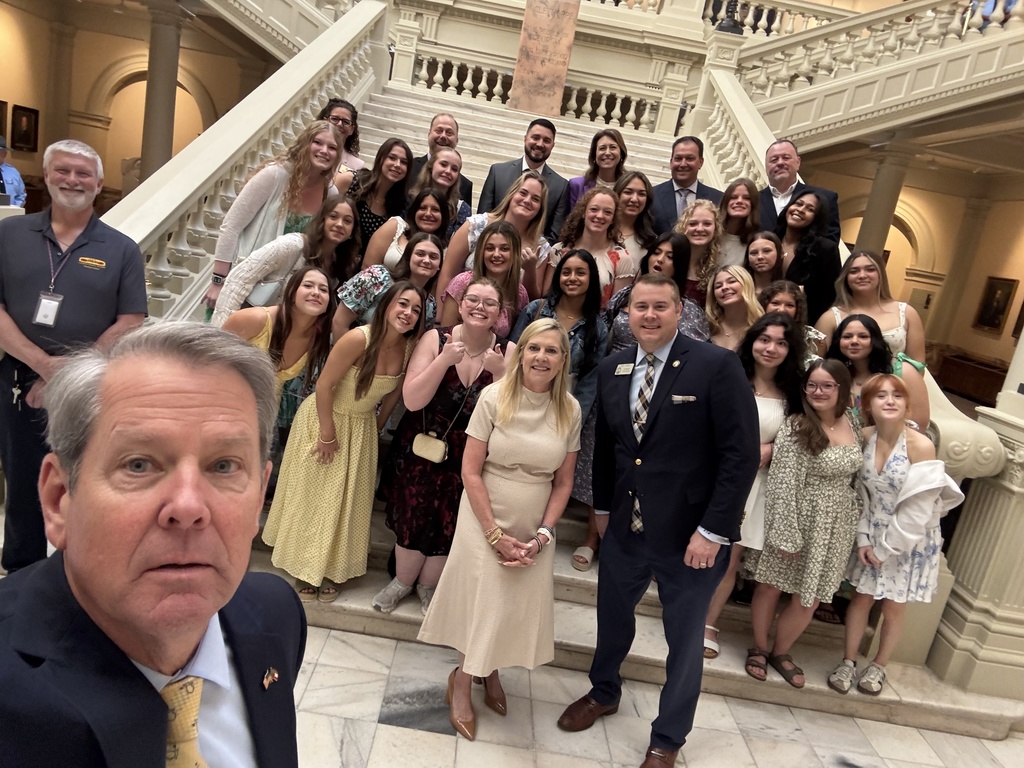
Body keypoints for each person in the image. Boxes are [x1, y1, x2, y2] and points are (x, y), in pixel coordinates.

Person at [0, 322, 306, 766]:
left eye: (224, 465)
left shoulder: (276, 616)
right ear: (59, 500)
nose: (188, 506)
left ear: (259, 497)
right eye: (139, 464)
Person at [557, 274, 759, 768]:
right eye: (639, 307)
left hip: (693, 536)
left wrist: (713, 530)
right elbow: (606, 450)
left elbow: (741, 455)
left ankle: (667, 738)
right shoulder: (612, 367)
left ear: (678, 311)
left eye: (659, 307)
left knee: (684, 642)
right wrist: (601, 510)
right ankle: (603, 692)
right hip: (626, 527)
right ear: (627, 314)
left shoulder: (716, 365)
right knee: (612, 619)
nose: (648, 315)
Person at [419, 318, 582, 741]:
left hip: (534, 522)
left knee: (508, 603)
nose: (541, 357)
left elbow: (563, 481)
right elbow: (470, 471)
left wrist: (544, 534)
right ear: (521, 352)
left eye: (551, 350)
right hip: (484, 511)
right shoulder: (494, 397)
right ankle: (462, 679)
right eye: (534, 348)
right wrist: (493, 534)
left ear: (563, 359)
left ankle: (488, 669)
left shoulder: (570, 408)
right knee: (484, 597)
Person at [0, 139, 147, 574]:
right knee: (24, 481)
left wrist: (65, 376)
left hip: (90, 385)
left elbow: (131, 320)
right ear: (46, 175)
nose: (72, 180)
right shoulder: (9, 235)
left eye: (83, 173)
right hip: (18, 380)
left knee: (87, 481)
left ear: (100, 183)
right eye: (63, 170)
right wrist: (42, 366)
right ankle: (21, 576)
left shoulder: (122, 249)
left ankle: (82, 576)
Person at [262, 282, 424, 601]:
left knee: (346, 503)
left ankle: (333, 567)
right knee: (317, 498)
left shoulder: (408, 349)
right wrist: (327, 434)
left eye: (416, 310)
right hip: (327, 417)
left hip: (361, 427)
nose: (408, 313)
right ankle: (306, 568)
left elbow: (392, 395)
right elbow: (324, 386)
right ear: (387, 305)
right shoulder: (357, 338)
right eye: (403, 304)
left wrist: (374, 429)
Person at [375, 277, 514, 615]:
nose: (479, 307)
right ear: (460, 303)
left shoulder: (507, 352)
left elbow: (510, 418)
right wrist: (443, 361)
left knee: (447, 522)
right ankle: (401, 583)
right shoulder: (436, 338)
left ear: (500, 312)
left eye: (489, 303)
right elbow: (411, 398)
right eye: (473, 300)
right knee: (412, 516)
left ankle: (427, 587)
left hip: (469, 455)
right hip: (421, 447)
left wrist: (499, 376)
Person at [827, 374, 962, 696]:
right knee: (860, 599)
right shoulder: (864, 437)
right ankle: (848, 661)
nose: (889, 401)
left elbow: (919, 509)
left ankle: (879, 666)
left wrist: (887, 549)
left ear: (906, 405)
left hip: (908, 538)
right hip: (872, 531)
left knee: (892, 607)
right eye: (881, 396)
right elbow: (859, 493)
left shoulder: (921, 444)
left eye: (897, 396)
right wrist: (863, 539)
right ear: (868, 405)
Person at [746, 359, 862, 689]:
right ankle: (759, 646)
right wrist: (787, 535)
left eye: (827, 385)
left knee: (808, 595)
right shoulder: (797, 427)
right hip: (797, 514)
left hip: (836, 523)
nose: (818, 392)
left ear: (841, 389)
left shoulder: (852, 421)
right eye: (812, 385)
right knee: (771, 585)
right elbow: (783, 483)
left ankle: (782, 652)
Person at [702, 314, 805, 659]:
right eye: (765, 339)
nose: (771, 348)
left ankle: (709, 623)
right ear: (753, 341)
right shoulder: (730, 375)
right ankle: (684, 612)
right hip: (715, 473)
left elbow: (807, 437)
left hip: (757, 484)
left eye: (781, 342)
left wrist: (774, 448)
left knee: (729, 557)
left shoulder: (795, 393)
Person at [514, 250, 609, 573]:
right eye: (566, 271)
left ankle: (540, 531)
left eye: (580, 272)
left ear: (591, 279)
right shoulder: (536, 310)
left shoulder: (598, 325)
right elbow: (514, 357)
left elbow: (591, 379)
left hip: (567, 400)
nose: (572, 278)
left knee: (552, 467)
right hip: (525, 395)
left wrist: (569, 419)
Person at [204, 120, 341, 310]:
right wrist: (218, 281)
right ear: (305, 143)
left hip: (284, 296)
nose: (324, 150)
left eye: (332, 147)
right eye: (318, 142)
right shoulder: (274, 176)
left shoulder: (330, 193)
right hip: (243, 282)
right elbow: (231, 226)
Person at [211, 194, 358, 326]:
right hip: (249, 328)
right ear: (322, 220)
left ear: (352, 231)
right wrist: (222, 332)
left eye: (347, 221)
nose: (339, 224)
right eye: (333, 216)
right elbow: (239, 280)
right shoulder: (293, 245)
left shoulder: (340, 268)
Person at [223, 266, 335, 410]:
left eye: (323, 290)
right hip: (224, 404)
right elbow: (209, 361)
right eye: (308, 285)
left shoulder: (315, 339)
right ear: (291, 292)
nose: (316, 293)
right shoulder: (255, 319)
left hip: (263, 414)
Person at [815, 250, 927, 365]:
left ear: (880, 274)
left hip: (895, 381)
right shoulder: (830, 318)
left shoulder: (906, 313)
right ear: (846, 277)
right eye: (854, 271)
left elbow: (917, 366)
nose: (862, 275)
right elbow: (815, 364)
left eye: (870, 269)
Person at [826, 314, 930, 432]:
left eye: (863, 336)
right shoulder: (835, 374)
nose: (854, 341)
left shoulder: (903, 370)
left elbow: (919, 423)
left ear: (875, 340)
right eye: (847, 336)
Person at [477, 118, 570, 242]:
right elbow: (483, 217)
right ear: (525, 138)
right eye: (535, 137)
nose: (540, 144)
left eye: (546, 140)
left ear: (553, 145)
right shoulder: (498, 172)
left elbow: (554, 236)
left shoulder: (561, 186)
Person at [335, 232, 443, 335]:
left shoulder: (429, 306)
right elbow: (340, 322)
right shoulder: (377, 276)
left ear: (439, 266)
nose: (426, 260)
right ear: (408, 257)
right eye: (420, 254)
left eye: (433, 257)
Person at [543, 188, 635, 305]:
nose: (600, 216)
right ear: (583, 212)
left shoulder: (622, 259)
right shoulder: (559, 250)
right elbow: (547, 295)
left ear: (613, 219)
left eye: (607, 212)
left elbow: (616, 309)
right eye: (594, 209)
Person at [440, 221, 529, 340]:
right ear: (482, 252)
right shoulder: (462, 282)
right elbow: (446, 334)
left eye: (504, 249)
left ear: (515, 254)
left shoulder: (519, 293)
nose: (496, 254)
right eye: (490, 248)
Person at [774, 189, 841, 322]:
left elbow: (829, 298)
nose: (800, 209)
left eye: (810, 209)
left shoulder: (825, 249)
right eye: (798, 204)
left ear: (817, 218)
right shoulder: (770, 240)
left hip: (802, 325)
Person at [336, 137, 414, 251]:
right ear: (381, 159)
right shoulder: (350, 181)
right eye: (392, 158)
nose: (397, 165)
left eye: (404, 162)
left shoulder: (402, 205)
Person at [759, 139, 841, 243]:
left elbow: (830, 244)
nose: (780, 163)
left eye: (786, 158)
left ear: (798, 162)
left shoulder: (824, 198)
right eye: (774, 160)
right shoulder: (752, 202)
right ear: (766, 167)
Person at [361, 188, 450, 271]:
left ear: (443, 216)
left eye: (435, 210)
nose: (428, 214)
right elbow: (367, 267)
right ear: (414, 211)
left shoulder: (446, 252)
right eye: (422, 208)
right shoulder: (395, 226)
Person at [650, 136, 723, 235]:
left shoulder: (718, 199)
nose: (683, 164)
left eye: (690, 158)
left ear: (700, 162)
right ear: (671, 162)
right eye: (678, 158)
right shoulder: (652, 196)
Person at [409, 113, 474, 206]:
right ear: (429, 134)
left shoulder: (465, 185)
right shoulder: (409, 167)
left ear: (456, 140)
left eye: (449, 133)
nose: (443, 136)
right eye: (439, 130)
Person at [759, 279, 825, 365]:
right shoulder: (751, 331)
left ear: (798, 309)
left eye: (789, 305)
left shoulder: (813, 339)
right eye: (775, 303)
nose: (782, 310)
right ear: (764, 305)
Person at [407, 149, 469, 239]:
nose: (448, 171)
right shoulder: (409, 198)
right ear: (431, 166)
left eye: (454, 169)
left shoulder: (462, 209)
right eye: (443, 164)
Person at [673, 198, 722, 306]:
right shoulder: (669, 260)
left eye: (707, 224)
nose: (699, 229)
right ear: (683, 227)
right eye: (693, 224)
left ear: (716, 229)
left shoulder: (718, 270)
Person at [567, 129, 629, 210]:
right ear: (594, 154)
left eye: (613, 147)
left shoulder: (628, 188)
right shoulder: (576, 185)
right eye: (602, 148)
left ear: (621, 154)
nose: (607, 153)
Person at [706, 265, 763, 351]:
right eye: (718, 286)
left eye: (731, 281)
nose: (724, 287)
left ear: (747, 285)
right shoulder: (707, 326)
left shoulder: (762, 326)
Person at [614, 170, 657, 261]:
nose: (634, 199)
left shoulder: (651, 241)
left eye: (641, 194)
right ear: (617, 194)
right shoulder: (601, 230)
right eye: (628, 192)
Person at [718, 178, 760, 267]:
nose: (739, 201)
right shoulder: (710, 232)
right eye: (733, 197)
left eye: (746, 198)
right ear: (726, 202)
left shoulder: (755, 242)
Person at [317, 97, 364, 171]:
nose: (339, 124)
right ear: (324, 121)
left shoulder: (356, 166)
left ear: (352, 129)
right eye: (335, 119)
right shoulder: (306, 151)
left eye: (345, 122)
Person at [0, 136, 27, 207]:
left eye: (0, 151)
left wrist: (14, 208)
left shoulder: (13, 172)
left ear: (5, 154)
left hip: (10, 214)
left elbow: (21, 194)